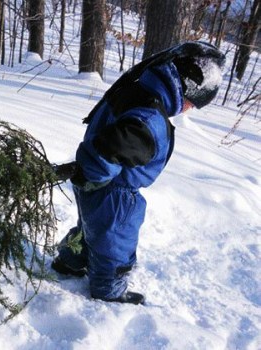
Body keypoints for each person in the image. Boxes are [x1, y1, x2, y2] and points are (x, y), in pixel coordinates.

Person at [52, 42, 226, 305]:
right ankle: (108, 289)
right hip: (114, 191)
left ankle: (70, 261)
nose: (188, 109)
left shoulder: (137, 88)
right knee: (114, 243)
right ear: (186, 86)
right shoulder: (149, 120)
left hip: (95, 182)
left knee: (90, 226)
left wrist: (87, 175)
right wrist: (91, 172)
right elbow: (111, 150)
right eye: (192, 103)